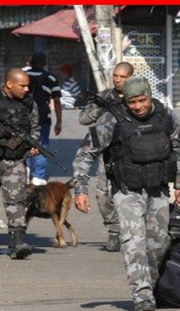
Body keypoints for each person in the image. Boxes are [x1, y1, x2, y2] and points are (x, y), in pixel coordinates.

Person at [72, 77, 180, 311]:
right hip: (126, 192)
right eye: (132, 102)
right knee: (133, 242)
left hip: (158, 190)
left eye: (142, 100)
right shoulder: (111, 119)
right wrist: (80, 189)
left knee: (159, 244)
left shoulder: (166, 116)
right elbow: (86, 153)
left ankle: (153, 288)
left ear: (149, 95)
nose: (138, 106)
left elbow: (176, 149)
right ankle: (142, 295)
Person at [0, 68, 40, 259]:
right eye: (23, 85)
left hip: (15, 159)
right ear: (10, 84)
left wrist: (31, 145)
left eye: (28, 85)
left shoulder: (29, 104)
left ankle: (17, 242)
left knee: (17, 200)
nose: (26, 89)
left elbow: (35, 128)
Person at [77, 61, 134, 251]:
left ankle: (134, 232)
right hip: (107, 152)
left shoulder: (137, 96)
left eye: (123, 77)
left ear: (130, 77)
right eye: (115, 76)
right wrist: (100, 107)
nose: (118, 80)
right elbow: (84, 119)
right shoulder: (103, 96)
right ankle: (113, 232)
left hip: (132, 153)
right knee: (103, 195)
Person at [25, 52, 62, 186]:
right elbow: (56, 101)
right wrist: (59, 121)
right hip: (43, 117)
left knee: (24, 142)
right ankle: (38, 176)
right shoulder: (50, 77)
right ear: (45, 63)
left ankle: (26, 168)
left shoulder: (24, 76)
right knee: (41, 145)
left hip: (24, 117)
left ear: (30, 62)